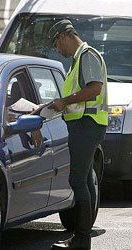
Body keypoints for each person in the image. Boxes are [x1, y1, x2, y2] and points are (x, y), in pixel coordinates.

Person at [48, 20, 108, 250]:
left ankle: (81, 239)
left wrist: (64, 101)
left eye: (56, 44)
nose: (57, 49)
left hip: (87, 125)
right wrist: (56, 105)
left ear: (63, 37)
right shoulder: (79, 59)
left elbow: (95, 88)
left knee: (77, 180)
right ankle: (83, 239)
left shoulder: (87, 55)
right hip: (85, 125)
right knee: (85, 181)